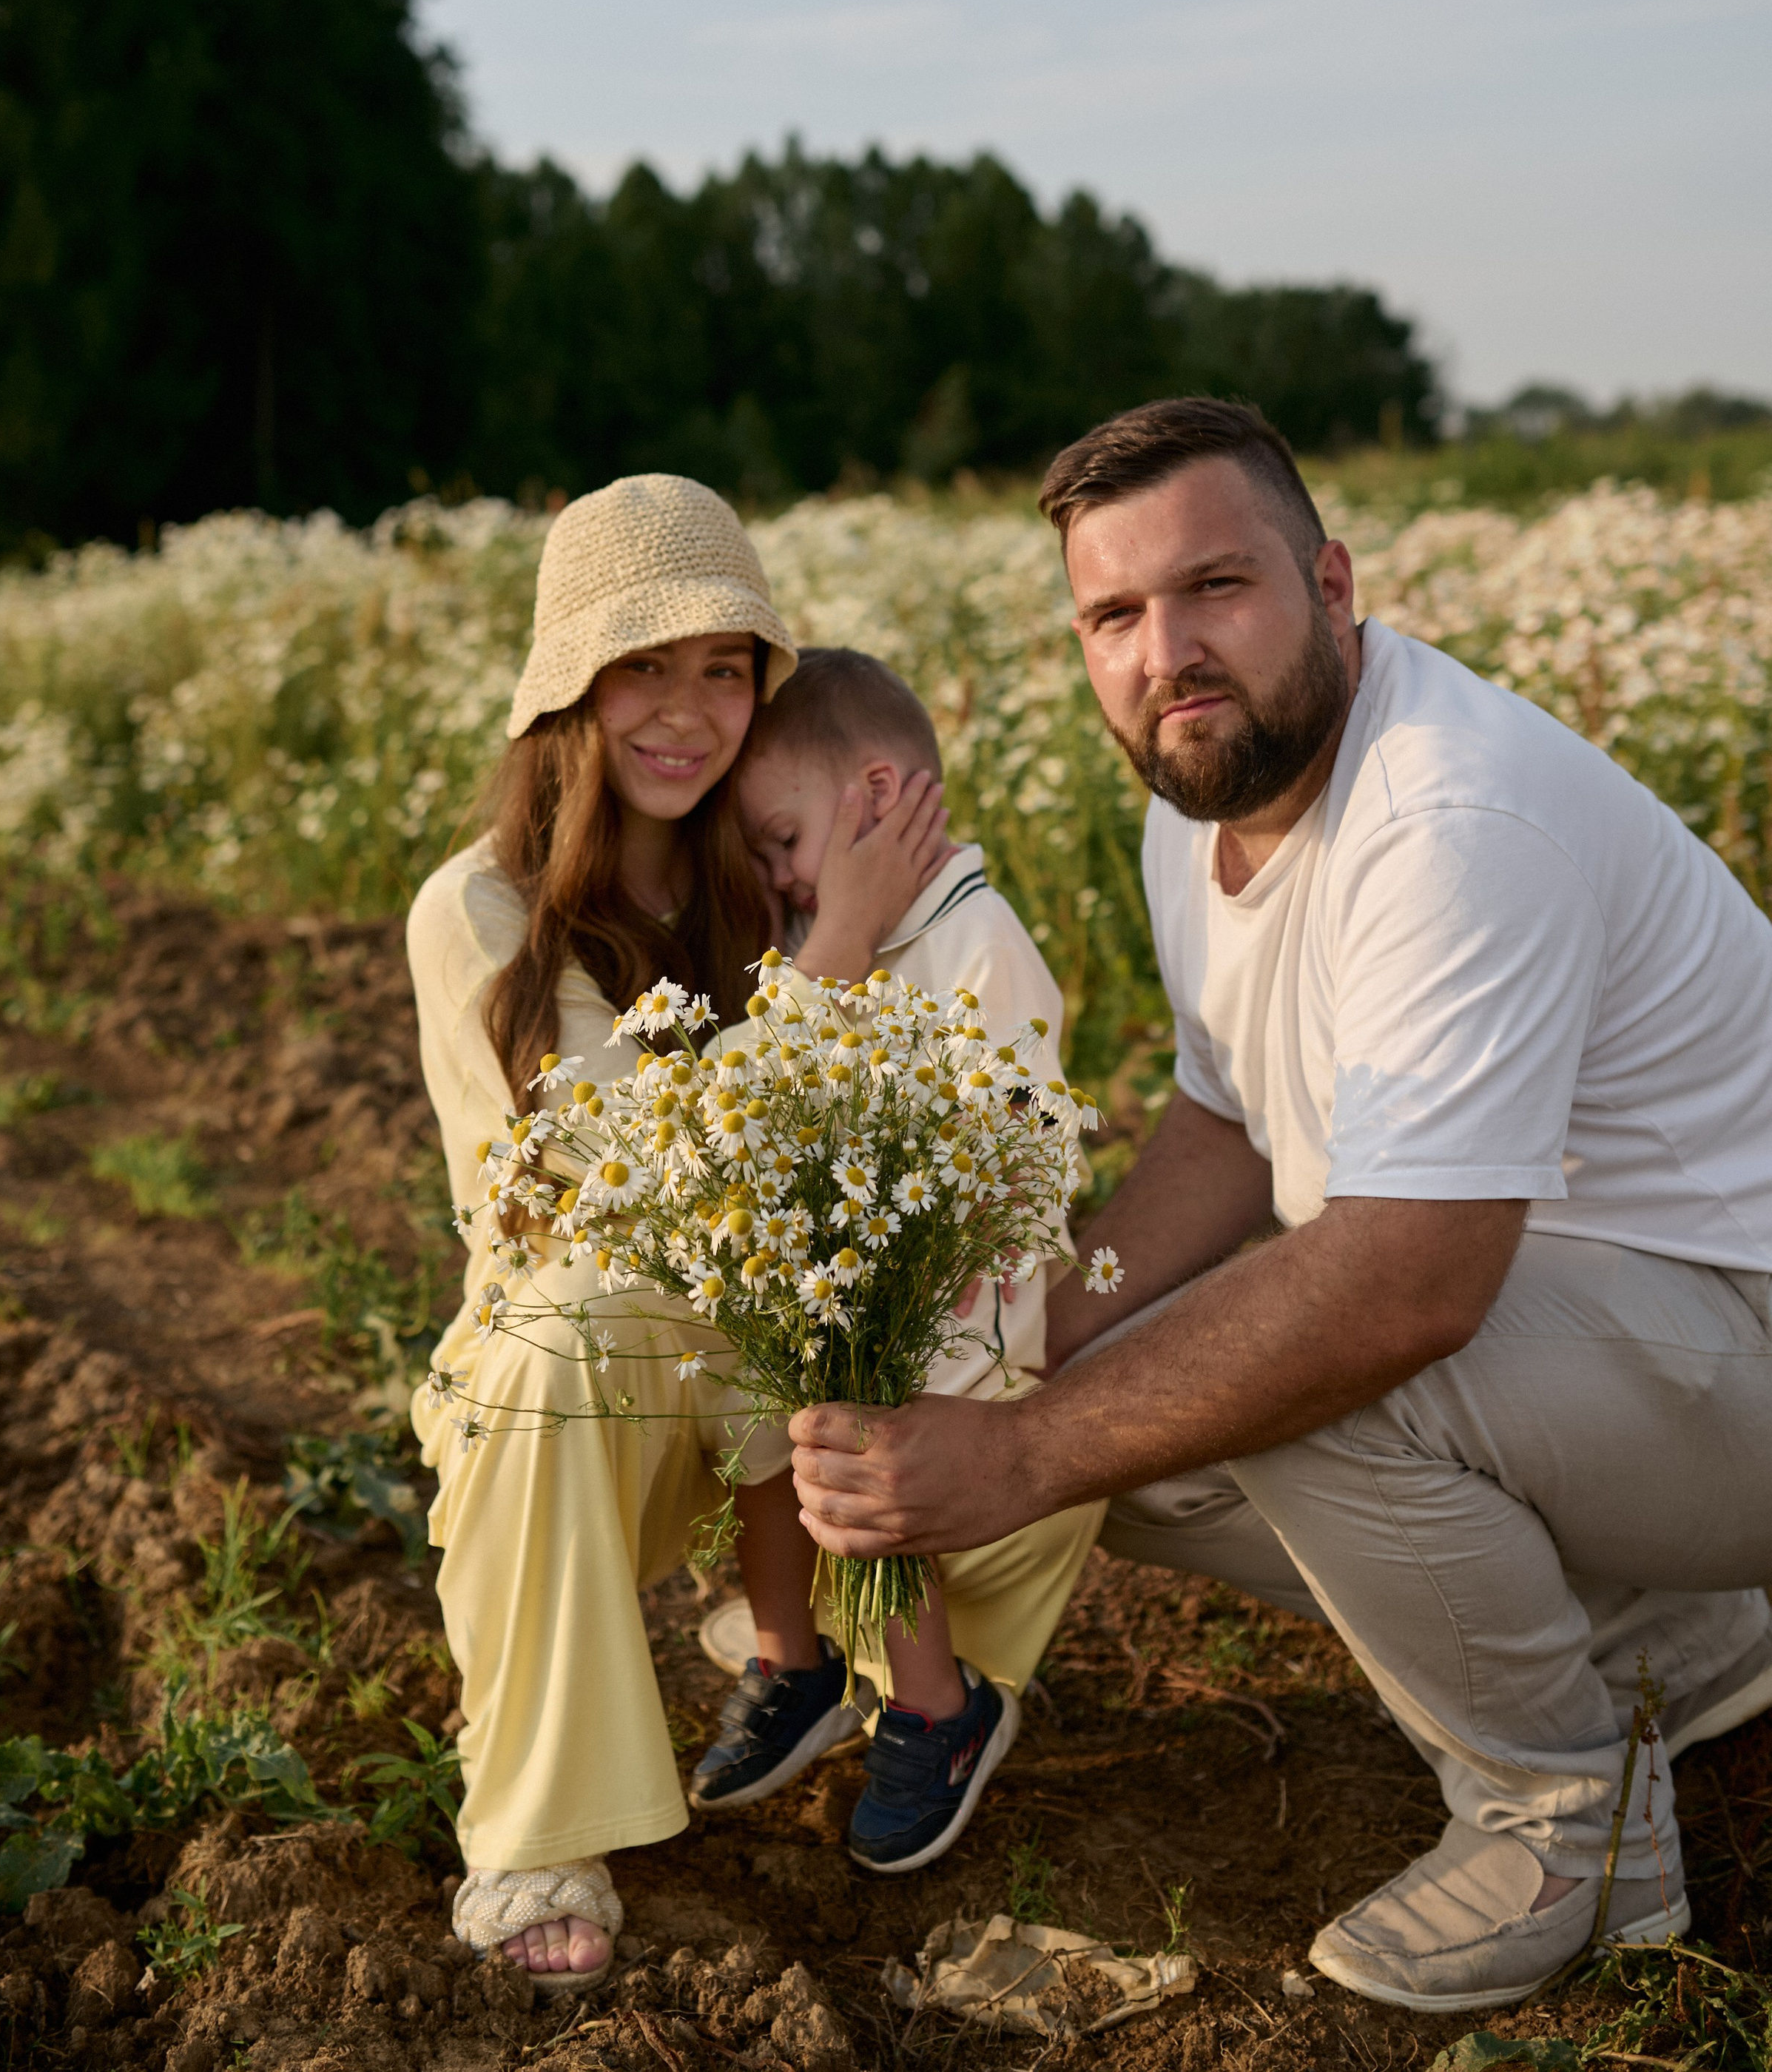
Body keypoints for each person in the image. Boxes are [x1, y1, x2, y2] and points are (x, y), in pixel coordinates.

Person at [786, 397, 1772, 2014]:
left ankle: (1570, 1830)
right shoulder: (1207, 792)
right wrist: (1032, 1331)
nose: (1164, 650)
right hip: (1625, 1347)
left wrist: (1017, 1451)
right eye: (1113, 614)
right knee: (1105, 1398)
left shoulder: (1448, 817)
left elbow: (1400, 1289)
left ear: (1330, 583)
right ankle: (1680, 1646)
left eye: (1212, 588)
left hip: (1730, 1337)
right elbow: (1224, 1123)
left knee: (1298, 1382)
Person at [405, 477, 1096, 1994]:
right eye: (643, 664)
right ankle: (533, 1819)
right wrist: (839, 939)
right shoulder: (480, 912)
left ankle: (859, 1666)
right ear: (568, 686)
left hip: (753, 1372)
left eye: (724, 668)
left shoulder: (753, 870)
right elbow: (642, 1187)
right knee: (572, 1326)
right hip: (581, 1395)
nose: (686, 709)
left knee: (995, 1364)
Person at [687, 648, 1083, 1876]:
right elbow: (771, 1104)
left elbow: (1019, 1155)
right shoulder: (860, 941)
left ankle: (935, 1708)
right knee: (754, 1395)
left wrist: (908, 1283)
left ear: (875, 797)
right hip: (865, 1280)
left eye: (784, 839)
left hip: (958, 1306)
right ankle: (795, 1662)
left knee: (864, 1432)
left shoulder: (980, 946)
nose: (781, 878)